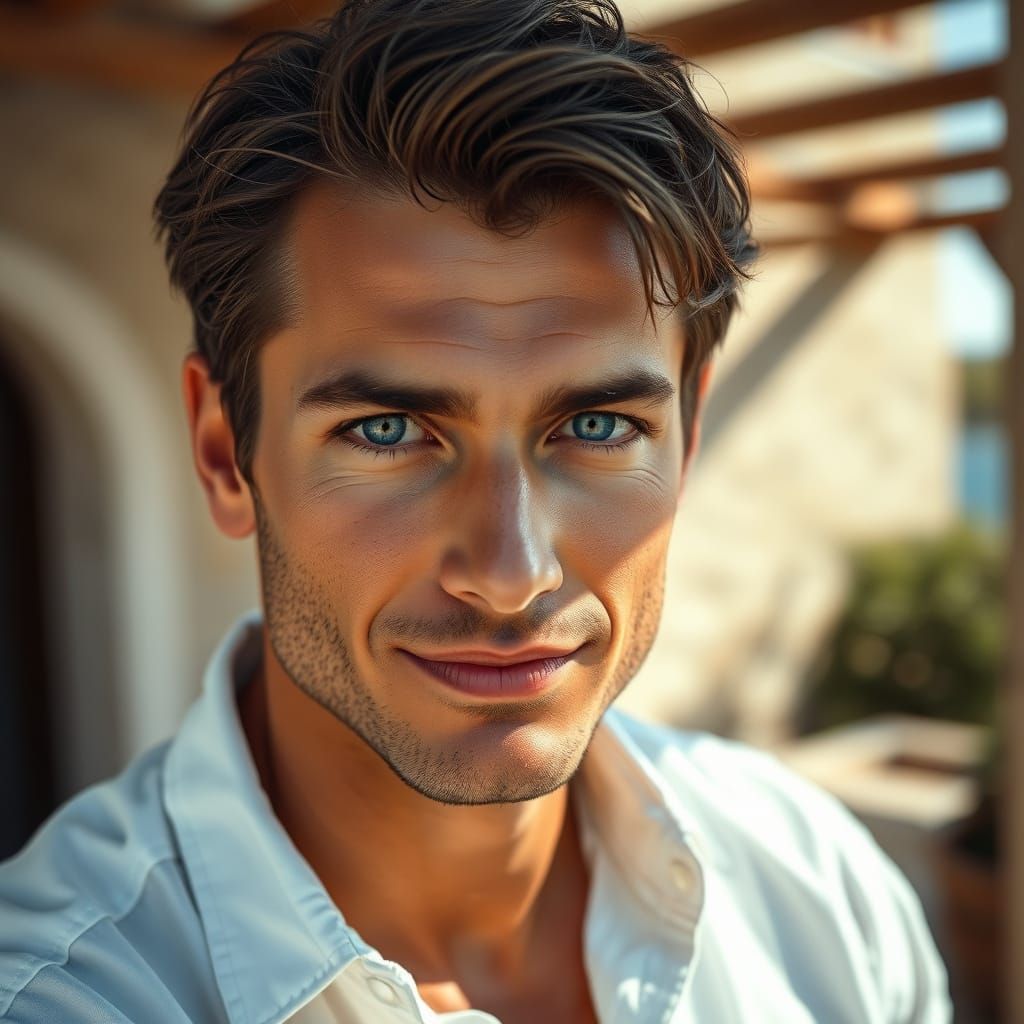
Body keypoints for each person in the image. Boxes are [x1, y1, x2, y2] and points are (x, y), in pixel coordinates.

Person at [0, 0, 953, 1020]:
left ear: (687, 435)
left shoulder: (818, 889)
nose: (511, 572)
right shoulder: (62, 993)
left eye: (594, 428)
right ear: (227, 454)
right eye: (386, 430)